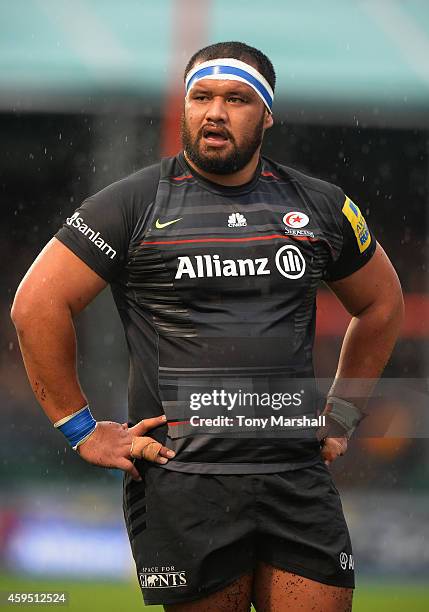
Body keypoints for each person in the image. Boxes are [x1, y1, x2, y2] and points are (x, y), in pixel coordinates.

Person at [11, 41, 403, 612]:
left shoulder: (320, 206)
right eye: (201, 97)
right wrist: (82, 430)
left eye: (236, 99)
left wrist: (342, 413)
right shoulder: (132, 204)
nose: (215, 111)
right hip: (183, 484)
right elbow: (35, 306)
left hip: (296, 477)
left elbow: (383, 305)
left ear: (267, 114)